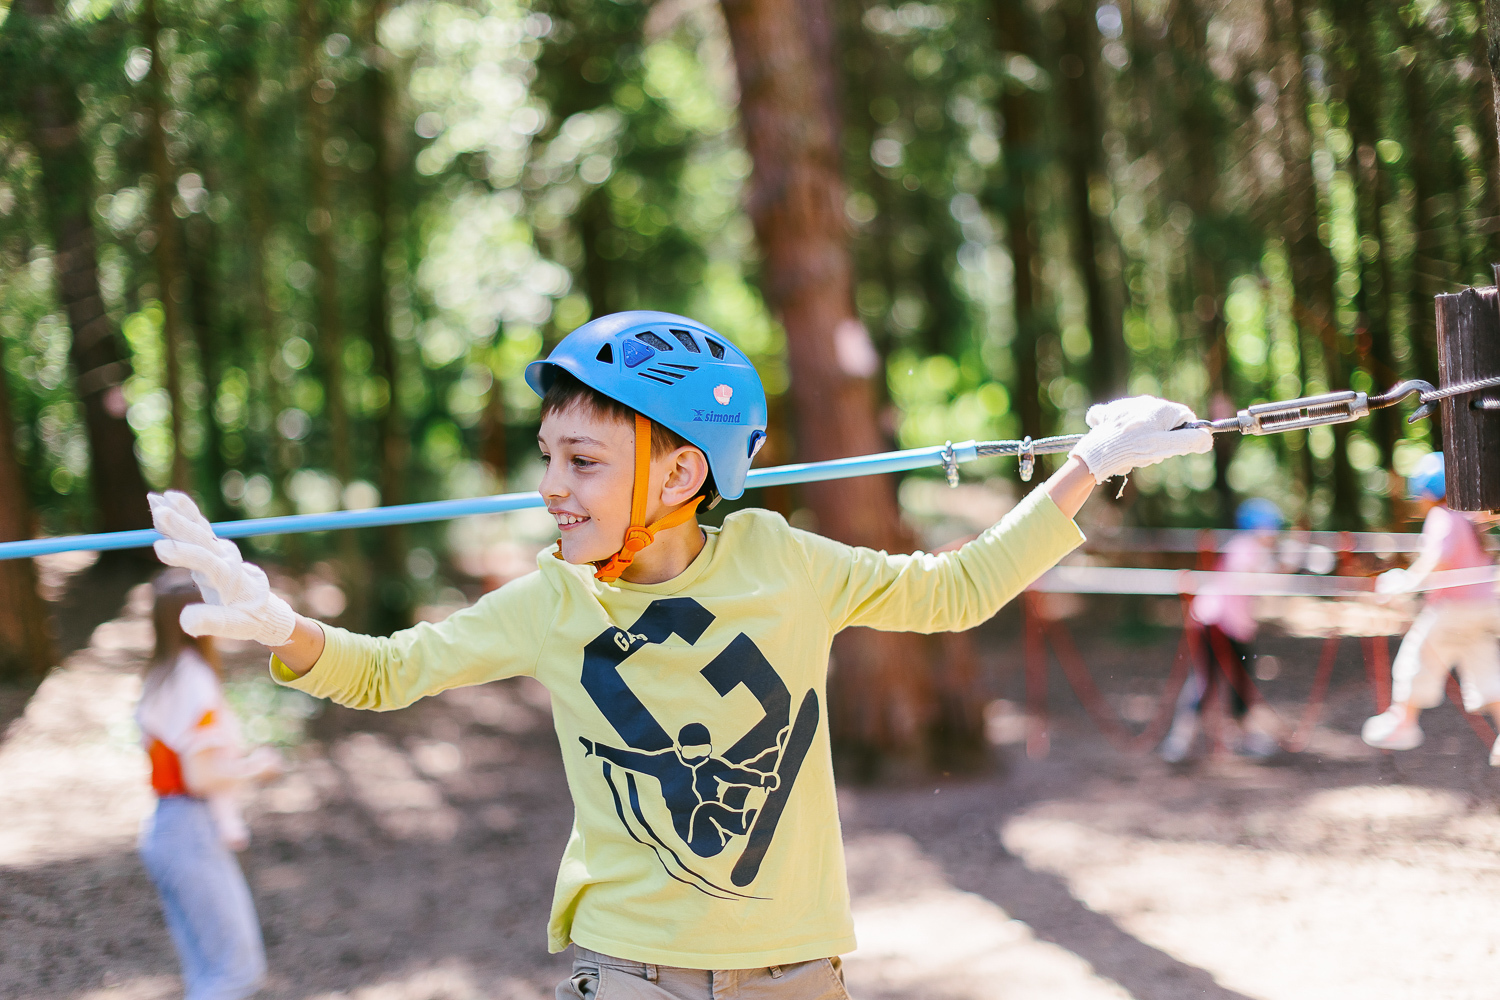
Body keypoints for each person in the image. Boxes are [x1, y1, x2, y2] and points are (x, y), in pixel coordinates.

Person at [147, 310, 1213, 1000]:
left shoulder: (781, 560)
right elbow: (387, 670)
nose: (551, 486)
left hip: (796, 972)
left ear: (677, 472)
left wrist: (1088, 464)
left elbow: (958, 588)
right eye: (547, 457)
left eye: (583, 458)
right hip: (629, 969)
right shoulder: (549, 601)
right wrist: (279, 627)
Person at [136, 570, 282, 1000]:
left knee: (209, 973)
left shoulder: (161, 675)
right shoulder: (192, 680)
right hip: (190, 829)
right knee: (235, 974)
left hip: (171, 827)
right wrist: (257, 767)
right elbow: (200, 776)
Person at [1362, 453, 1500, 764]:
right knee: (1484, 665)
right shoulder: (1468, 516)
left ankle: (1403, 722)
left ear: (1427, 490)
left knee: (1416, 655)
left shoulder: (1442, 517)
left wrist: (1404, 583)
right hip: (1484, 608)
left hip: (1454, 610)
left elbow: (1437, 560)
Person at [1159, 498, 1284, 763]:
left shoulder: (1245, 547)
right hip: (1219, 623)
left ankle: (1189, 740)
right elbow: (1245, 576)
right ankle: (1181, 741)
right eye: (1270, 527)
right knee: (1209, 681)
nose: (1274, 533)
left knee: (1232, 680)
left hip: (1224, 623)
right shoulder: (1246, 548)